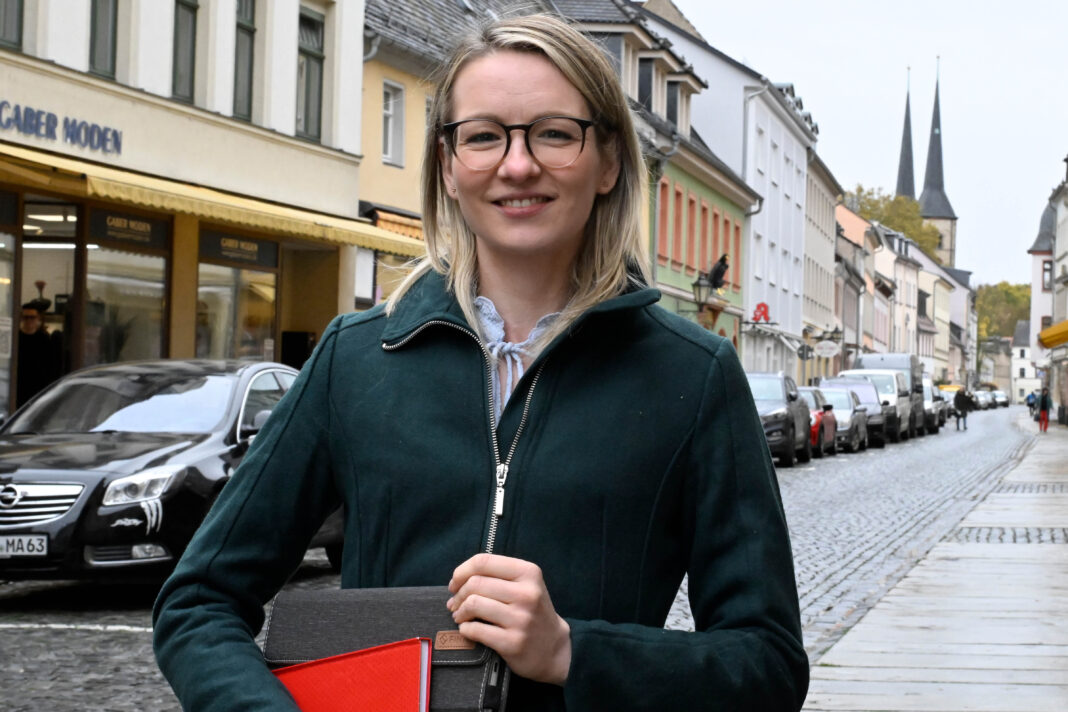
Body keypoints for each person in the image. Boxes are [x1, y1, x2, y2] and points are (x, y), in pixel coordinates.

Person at [152, 14, 808, 711]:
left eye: (554, 133)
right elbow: (198, 602)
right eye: (484, 136)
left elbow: (767, 664)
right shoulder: (357, 358)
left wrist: (571, 652)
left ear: (610, 162)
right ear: (448, 165)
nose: (517, 165)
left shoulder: (692, 376)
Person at [16, 298, 60, 408]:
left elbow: (51, 365)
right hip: (19, 387)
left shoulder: (44, 339)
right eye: (26, 317)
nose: (29, 320)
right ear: (22, 318)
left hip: (38, 389)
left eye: (32, 317)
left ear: (38, 318)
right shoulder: (16, 338)